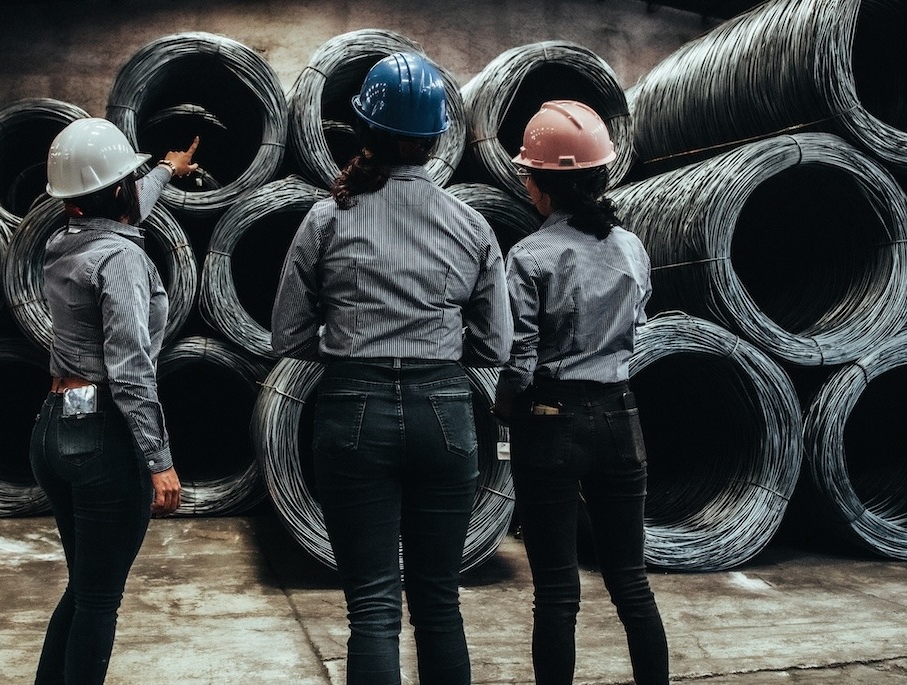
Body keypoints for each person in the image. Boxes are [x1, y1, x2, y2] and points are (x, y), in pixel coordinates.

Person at [272, 52, 512, 685]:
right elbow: (495, 347)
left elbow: (288, 334)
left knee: (373, 608)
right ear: (436, 140)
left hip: (352, 412)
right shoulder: (470, 223)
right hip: (445, 413)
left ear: (362, 134)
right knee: (438, 603)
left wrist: (353, 333)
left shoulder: (326, 217)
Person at [491, 100, 669, 685]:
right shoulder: (631, 247)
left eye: (526, 174)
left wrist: (505, 404)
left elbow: (520, 358)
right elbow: (638, 329)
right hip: (623, 419)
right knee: (630, 579)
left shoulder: (529, 256)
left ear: (540, 182)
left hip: (551, 422)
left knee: (557, 591)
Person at [29, 117, 198, 685]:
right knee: (100, 601)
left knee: (84, 589)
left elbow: (120, 210)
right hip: (102, 436)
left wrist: (165, 172)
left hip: (53, 428)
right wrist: (160, 461)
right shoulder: (122, 260)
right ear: (117, 189)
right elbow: (130, 370)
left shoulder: (65, 240)